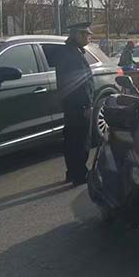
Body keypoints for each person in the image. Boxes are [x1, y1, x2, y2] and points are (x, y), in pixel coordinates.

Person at [56, 22, 96, 186]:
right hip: (79, 105)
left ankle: (72, 172)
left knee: (71, 139)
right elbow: (81, 83)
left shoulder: (67, 51)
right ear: (78, 35)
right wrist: (87, 105)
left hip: (70, 103)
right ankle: (79, 175)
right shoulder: (74, 54)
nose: (89, 37)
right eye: (87, 35)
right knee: (81, 141)